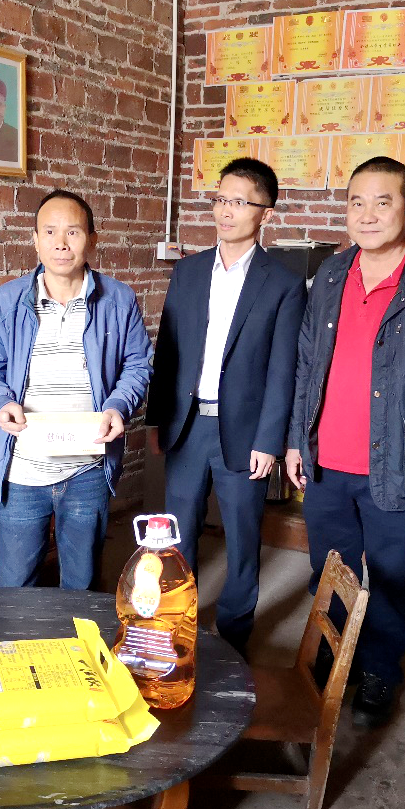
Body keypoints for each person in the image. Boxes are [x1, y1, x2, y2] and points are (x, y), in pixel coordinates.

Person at [285, 157, 405, 726]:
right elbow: (306, 364)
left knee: (391, 575)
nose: (367, 215)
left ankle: (379, 670)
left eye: (383, 202)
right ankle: (331, 654)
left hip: (397, 463)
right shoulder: (330, 273)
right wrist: (297, 440)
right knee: (330, 569)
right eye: (356, 202)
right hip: (326, 460)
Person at [146, 158, 306, 655]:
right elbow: (168, 350)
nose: (225, 211)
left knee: (241, 538)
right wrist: (156, 418)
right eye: (220, 199)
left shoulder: (282, 283)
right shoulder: (189, 271)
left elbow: (284, 368)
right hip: (188, 424)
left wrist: (270, 440)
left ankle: (235, 636)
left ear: (266, 213)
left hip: (245, 432)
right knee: (177, 533)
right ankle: (178, 625)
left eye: (239, 201)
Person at [0, 190, 152, 590]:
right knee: (13, 589)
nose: (61, 243)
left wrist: (118, 406)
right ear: (35, 240)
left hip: (88, 469)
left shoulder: (118, 300)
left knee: (81, 588)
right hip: (22, 470)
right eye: (49, 232)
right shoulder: (5, 302)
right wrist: (0, 403)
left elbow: (138, 365)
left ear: (92, 239)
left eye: (73, 231)